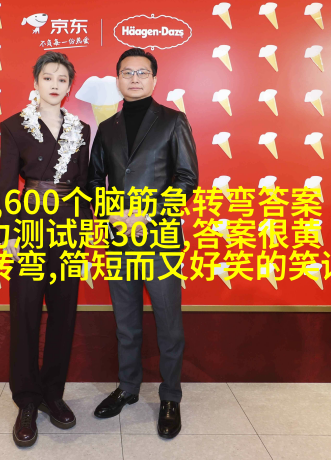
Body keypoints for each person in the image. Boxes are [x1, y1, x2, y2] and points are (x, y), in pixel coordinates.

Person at [86, 48, 199, 439]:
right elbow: (94, 181)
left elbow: (187, 178)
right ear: (117, 78)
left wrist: (147, 214)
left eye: (142, 72)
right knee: (127, 324)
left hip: (160, 240)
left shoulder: (173, 120)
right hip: (118, 240)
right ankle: (128, 387)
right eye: (127, 72)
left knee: (168, 323)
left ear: (154, 79)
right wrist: (111, 213)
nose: (134, 78)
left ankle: (170, 397)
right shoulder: (107, 127)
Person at [0, 51, 92, 448]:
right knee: (25, 312)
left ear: (69, 87)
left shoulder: (81, 128)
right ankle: (26, 401)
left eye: (62, 79)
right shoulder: (13, 126)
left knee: (64, 313)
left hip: (69, 226)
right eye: (48, 77)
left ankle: (54, 394)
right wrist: (9, 233)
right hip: (31, 224)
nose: (54, 84)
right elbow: (7, 183)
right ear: (35, 82)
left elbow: (87, 185)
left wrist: (87, 231)